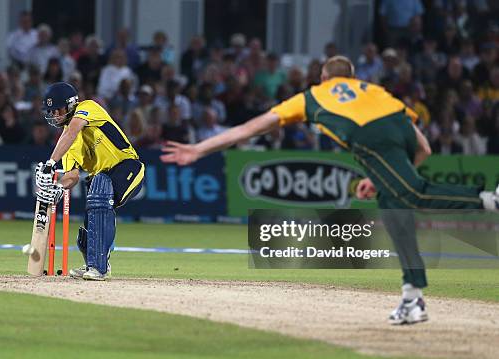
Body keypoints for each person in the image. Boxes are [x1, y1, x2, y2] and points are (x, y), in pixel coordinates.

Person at [161, 56, 499, 325]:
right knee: (395, 210)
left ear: (324, 78)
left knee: (414, 194)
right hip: (396, 128)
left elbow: (249, 128)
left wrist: (199, 150)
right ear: (351, 77)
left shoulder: (311, 97)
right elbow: (422, 148)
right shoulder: (376, 91)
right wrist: (383, 178)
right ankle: (412, 298)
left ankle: (490, 199)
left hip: (366, 136)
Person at [34, 82, 145, 281]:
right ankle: (93, 264)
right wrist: (58, 187)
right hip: (102, 180)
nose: (55, 116)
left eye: (57, 110)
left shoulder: (87, 107)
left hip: (127, 167)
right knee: (85, 236)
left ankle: (99, 267)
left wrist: (51, 163)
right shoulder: (68, 142)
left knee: (100, 184)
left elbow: (72, 131)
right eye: (51, 112)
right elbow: (72, 176)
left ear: (70, 105)